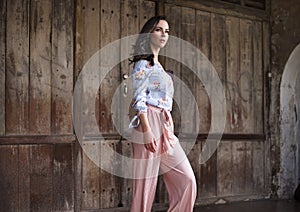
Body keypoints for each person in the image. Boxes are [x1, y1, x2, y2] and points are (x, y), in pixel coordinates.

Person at [129, 16, 197, 212]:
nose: (163, 34)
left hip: (165, 126)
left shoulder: (158, 65)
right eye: (159, 30)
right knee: (144, 189)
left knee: (187, 180)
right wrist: (147, 130)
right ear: (149, 32)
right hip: (148, 122)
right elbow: (139, 98)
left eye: (167, 31)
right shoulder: (143, 63)